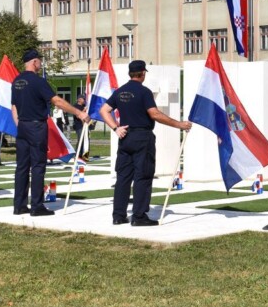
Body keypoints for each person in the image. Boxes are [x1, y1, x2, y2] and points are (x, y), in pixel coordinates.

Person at [99, 59, 188, 227]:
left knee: (123, 177)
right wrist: (179, 125)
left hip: (125, 137)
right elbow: (154, 114)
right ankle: (139, 216)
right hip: (142, 137)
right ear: (142, 74)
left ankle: (118, 216)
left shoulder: (120, 91)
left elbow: (103, 110)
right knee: (143, 175)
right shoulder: (144, 92)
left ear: (130, 73)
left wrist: (116, 128)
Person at [12, 49, 90, 216]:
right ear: (34, 62)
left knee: (22, 166)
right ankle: (37, 206)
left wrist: (20, 124)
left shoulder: (16, 81)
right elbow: (57, 101)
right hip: (36, 126)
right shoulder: (38, 81)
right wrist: (78, 113)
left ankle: (19, 205)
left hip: (22, 126)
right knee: (38, 165)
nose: (41, 63)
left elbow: (14, 106)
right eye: (39, 60)